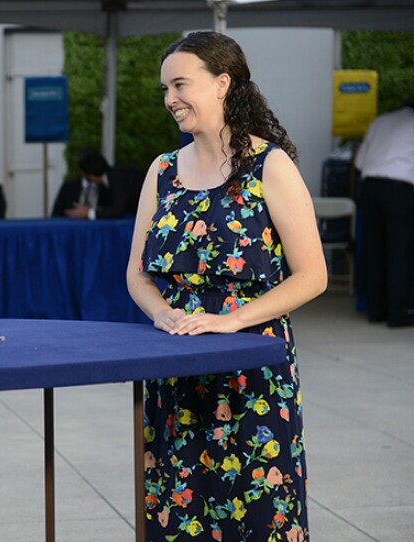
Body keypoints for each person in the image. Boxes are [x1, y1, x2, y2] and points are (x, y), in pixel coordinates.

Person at [126, 32, 326, 541]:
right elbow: (137, 273)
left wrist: (230, 319)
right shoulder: (162, 171)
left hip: (251, 363)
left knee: (257, 511)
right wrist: (161, 314)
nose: (170, 99)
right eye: (165, 88)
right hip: (175, 365)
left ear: (222, 84)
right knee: (179, 503)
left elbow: (312, 275)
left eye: (180, 84)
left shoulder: (269, 165)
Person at [354, 97, 414, 327]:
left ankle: (375, 310)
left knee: (374, 250)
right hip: (400, 189)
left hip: (371, 187)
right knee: (399, 251)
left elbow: (359, 162)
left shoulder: (380, 122)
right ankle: (398, 312)